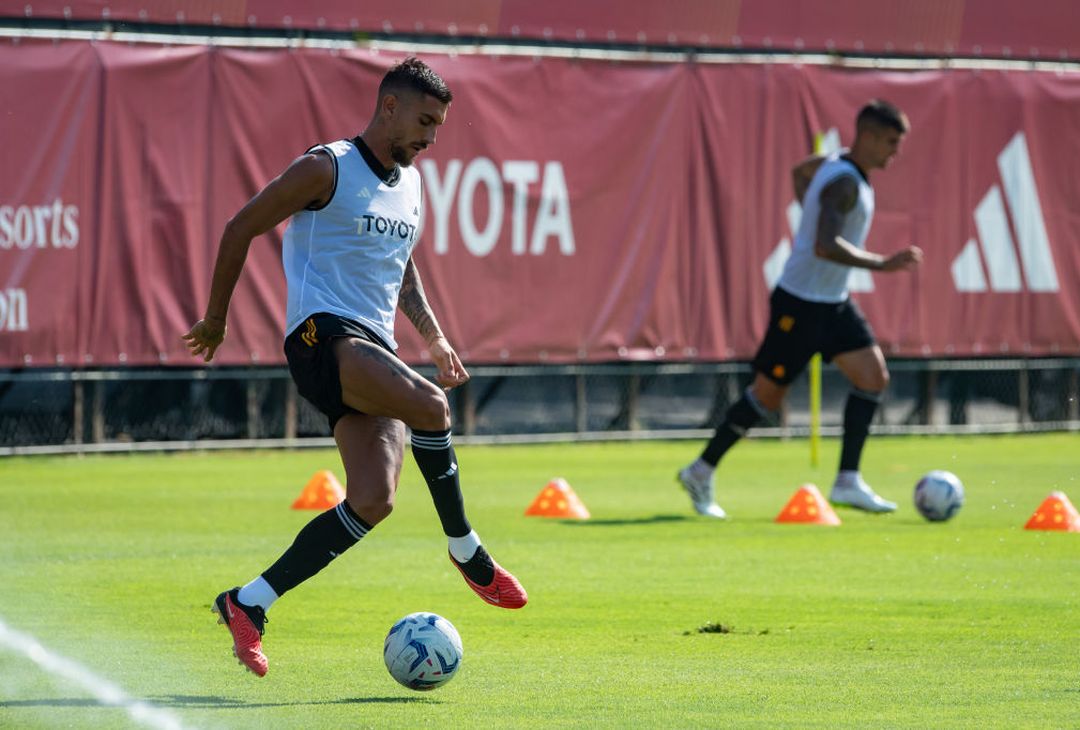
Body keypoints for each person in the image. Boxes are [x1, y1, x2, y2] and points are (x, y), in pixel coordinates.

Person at [182, 57, 527, 677]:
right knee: (433, 407)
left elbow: (402, 268)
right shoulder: (327, 167)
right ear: (388, 106)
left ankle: (248, 602)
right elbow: (241, 227)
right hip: (321, 336)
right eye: (424, 121)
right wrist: (215, 319)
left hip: (372, 347)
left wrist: (435, 336)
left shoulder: (411, 184)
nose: (430, 137)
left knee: (373, 500)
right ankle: (467, 552)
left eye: (439, 126)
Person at [678, 99, 922, 519]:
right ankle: (700, 470)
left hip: (834, 303)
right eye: (889, 142)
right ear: (864, 136)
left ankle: (847, 480)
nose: (894, 152)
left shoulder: (832, 166)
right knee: (767, 397)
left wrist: (806, 215)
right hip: (801, 303)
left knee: (873, 377)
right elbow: (825, 245)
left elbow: (799, 173)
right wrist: (881, 263)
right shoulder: (843, 185)